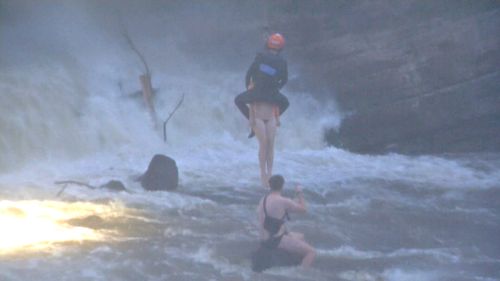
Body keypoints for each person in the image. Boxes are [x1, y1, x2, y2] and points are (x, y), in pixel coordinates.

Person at [234, 33, 290, 138]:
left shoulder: (260, 57)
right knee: (286, 103)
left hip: (256, 92)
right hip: (272, 94)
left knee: (238, 100)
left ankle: (254, 122)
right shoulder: (283, 62)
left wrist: (249, 88)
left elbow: (249, 74)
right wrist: (276, 89)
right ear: (281, 47)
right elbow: (284, 80)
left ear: (268, 45)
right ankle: (271, 120)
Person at [257, 175, 316, 268]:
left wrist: (293, 200)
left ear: (269, 185)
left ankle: (294, 263)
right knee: (311, 252)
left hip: (264, 236)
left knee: (301, 236)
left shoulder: (263, 200)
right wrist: (299, 193)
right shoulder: (283, 201)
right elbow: (304, 209)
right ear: (282, 186)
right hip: (275, 240)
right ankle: (301, 274)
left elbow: (278, 210)